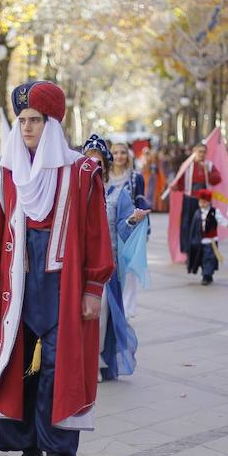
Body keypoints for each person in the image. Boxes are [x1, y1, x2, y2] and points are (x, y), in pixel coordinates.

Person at [0, 81, 113, 456]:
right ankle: (28, 449)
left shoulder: (83, 172)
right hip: (16, 289)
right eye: (22, 121)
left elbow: (95, 234)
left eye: (36, 120)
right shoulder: (4, 174)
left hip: (63, 290)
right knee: (20, 370)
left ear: (51, 124)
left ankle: (56, 454)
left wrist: (93, 287)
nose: (28, 128)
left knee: (57, 370)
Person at [82, 135, 147, 381]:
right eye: (88, 162)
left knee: (101, 314)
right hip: (77, 265)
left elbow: (123, 225)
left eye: (97, 164)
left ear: (105, 166)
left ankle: (97, 359)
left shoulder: (116, 194)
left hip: (105, 266)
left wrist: (132, 219)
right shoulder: (73, 192)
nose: (92, 168)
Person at [109, 141, 150, 318]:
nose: (119, 156)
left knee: (128, 268)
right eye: (115, 152)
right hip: (109, 227)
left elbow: (141, 202)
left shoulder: (135, 177)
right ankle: (113, 306)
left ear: (128, 155)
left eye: (122, 153)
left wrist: (145, 227)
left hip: (130, 227)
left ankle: (126, 309)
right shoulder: (103, 175)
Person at [169, 143, 222, 256]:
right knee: (187, 224)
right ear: (194, 152)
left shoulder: (209, 165)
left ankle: (203, 249)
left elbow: (217, 179)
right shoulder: (187, 165)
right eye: (199, 151)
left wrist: (208, 171)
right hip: (190, 198)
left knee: (204, 224)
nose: (202, 154)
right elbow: (180, 181)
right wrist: (176, 186)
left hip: (204, 201)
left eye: (204, 152)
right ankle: (188, 251)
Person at [187, 189, 228, 285]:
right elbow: (194, 228)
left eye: (204, 202)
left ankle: (207, 275)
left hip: (211, 241)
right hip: (200, 241)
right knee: (201, 258)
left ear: (209, 202)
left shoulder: (214, 212)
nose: (202, 204)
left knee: (209, 258)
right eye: (200, 202)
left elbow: (221, 220)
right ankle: (206, 273)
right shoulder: (197, 213)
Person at [142, 147, 167, 212]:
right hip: (150, 179)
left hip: (155, 179)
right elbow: (145, 170)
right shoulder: (148, 162)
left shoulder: (158, 163)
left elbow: (160, 172)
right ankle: (148, 205)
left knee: (155, 193)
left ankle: (154, 206)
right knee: (149, 192)